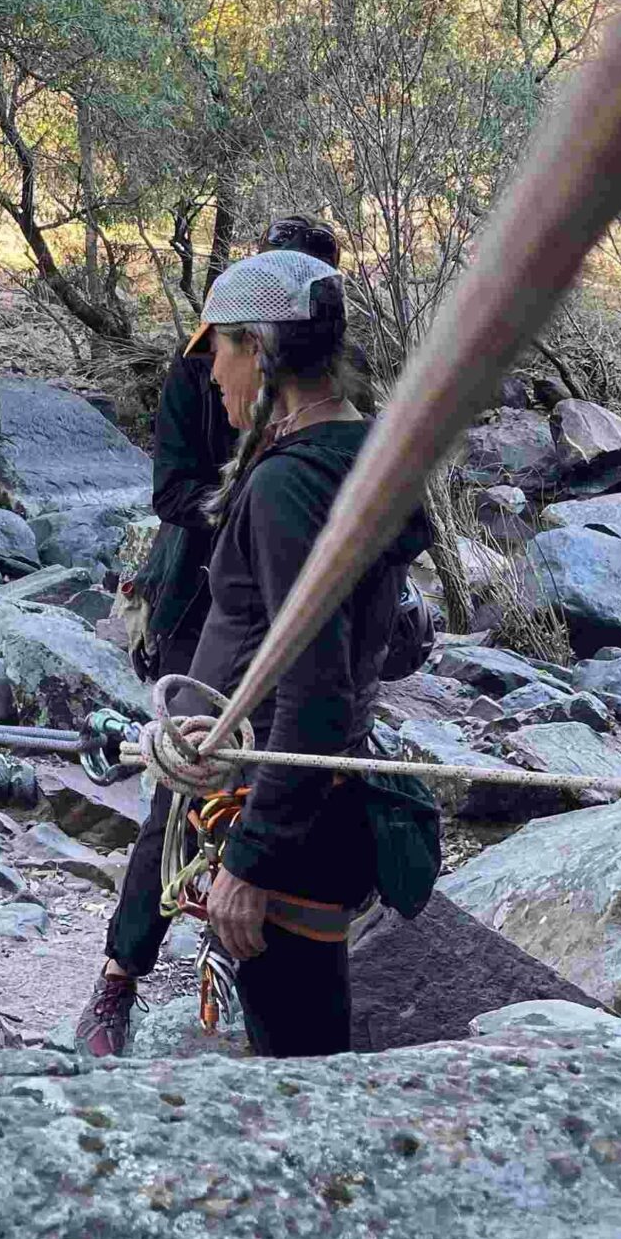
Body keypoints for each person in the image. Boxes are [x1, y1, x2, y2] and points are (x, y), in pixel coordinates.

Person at [76, 212, 343, 1058]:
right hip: (201, 600)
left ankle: (226, 943)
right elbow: (172, 490)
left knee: (256, 779)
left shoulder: (313, 434)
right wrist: (244, 513)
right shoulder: (203, 373)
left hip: (267, 607)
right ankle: (120, 976)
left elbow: (322, 681)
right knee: (180, 792)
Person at [185, 248, 429, 1058]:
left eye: (218, 349)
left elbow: (315, 686)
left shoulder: (287, 485)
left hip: (285, 813)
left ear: (258, 349)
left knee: (296, 1055)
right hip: (321, 797)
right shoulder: (367, 456)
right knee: (308, 1035)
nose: (211, 373)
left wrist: (251, 858)